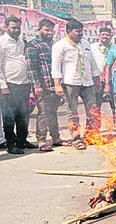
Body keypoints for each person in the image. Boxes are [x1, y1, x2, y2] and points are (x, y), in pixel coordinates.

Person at [52, 19, 101, 150]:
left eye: (82, 31)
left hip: (87, 82)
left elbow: (92, 62)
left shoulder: (85, 43)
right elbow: (56, 66)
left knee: (92, 110)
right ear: (69, 32)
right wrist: (57, 84)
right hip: (70, 83)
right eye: (77, 31)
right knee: (72, 112)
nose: (81, 34)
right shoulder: (60, 45)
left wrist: (97, 78)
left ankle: (91, 136)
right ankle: (76, 138)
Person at [25, 19, 69, 152]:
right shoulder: (32, 45)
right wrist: (37, 85)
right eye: (46, 30)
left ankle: (56, 138)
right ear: (39, 29)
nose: (50, 33)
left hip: (54, 84)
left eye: (51, 30)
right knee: (43, 113)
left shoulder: (54, 45)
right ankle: (41, 140)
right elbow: (31, 67)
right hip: (42, 86)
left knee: (53, 113)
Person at [0, 17, 34, 154]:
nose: (16, 30)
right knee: (9, 116)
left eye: (18, 28)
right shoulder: (2, 42)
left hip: (24, 83)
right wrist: (3, 85)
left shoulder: (21, 42)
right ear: (6, 27)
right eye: (13, 27)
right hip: (9, 84)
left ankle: (22, 140)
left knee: (23, 114)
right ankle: (11, 144)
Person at [90, 27, 116, 116]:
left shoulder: (115, 48)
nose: (105, 36)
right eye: (103, 34)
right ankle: (96, 126)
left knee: (114, 103)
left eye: (108, 35)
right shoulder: (92, 47)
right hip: (98, 79)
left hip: (112, 79)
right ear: (99, 36)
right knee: (96, 103)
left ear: (111, 36)